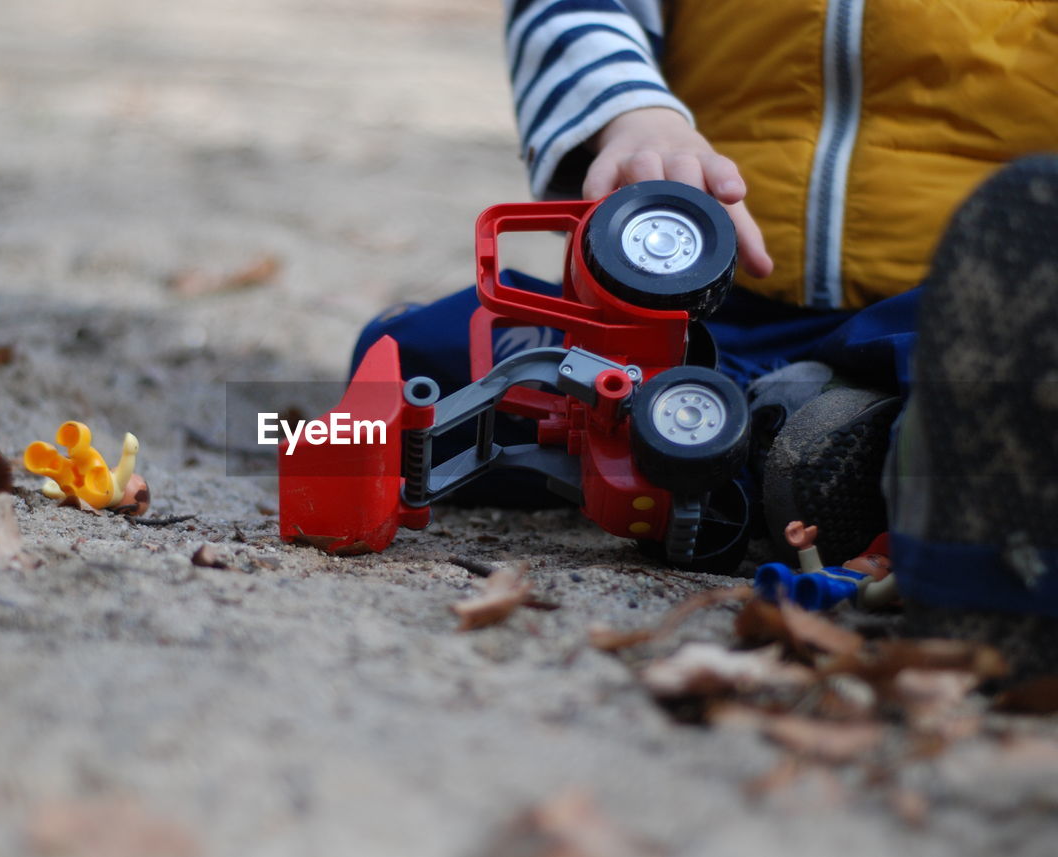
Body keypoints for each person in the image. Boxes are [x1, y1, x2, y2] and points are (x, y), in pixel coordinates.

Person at [355, 1, 1058, 641]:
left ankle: (850, 455)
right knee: (412, 355)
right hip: (702, 314)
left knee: (989, 335)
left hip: (938, 312)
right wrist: (631, 112)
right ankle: (813, 446)